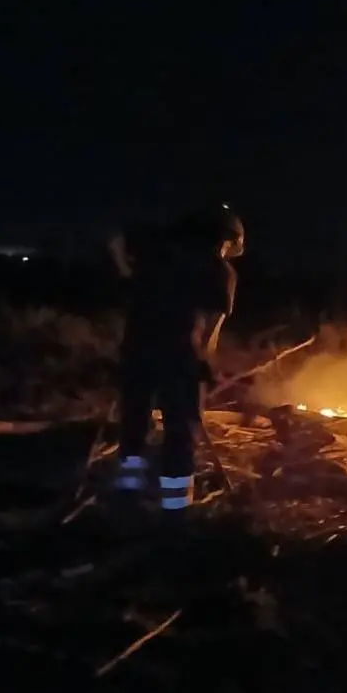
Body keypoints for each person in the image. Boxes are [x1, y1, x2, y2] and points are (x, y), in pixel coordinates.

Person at [109, 204, 244, 512]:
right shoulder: (220, 271)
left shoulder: (158, 259)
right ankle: (175, 507)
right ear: (223, 239)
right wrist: (206, 362)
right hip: (180, 359)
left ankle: (127, 493)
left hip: (137, 353)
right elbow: (212, 324)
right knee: (181, 431)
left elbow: (130, 291)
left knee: (134, 423)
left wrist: (118, 258)